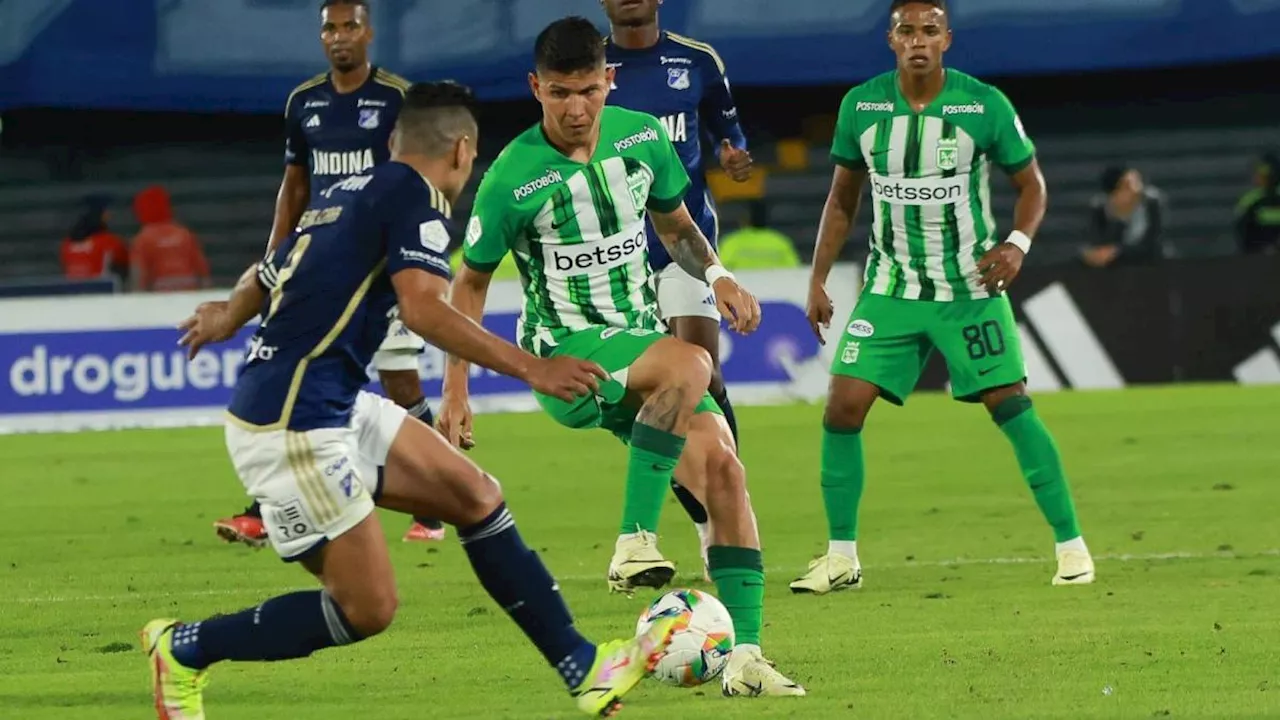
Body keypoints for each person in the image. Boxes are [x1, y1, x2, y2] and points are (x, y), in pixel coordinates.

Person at [142, 81, 678, 719]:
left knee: (476, 496)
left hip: (333, 404)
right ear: (461, 152)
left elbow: (268, 270)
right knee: (367, 608)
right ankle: (184, 648)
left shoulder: (347, 193)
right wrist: (534, 367)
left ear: (394, 142)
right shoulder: (420, 203)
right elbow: (424, 311)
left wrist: (227, 316)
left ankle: (584, 668)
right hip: (293, 426)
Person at [437, 17, 804, 698]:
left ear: (609, 81)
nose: (575, 109)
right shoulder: (510, 178)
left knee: (723, 464)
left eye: (586, 91)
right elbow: (471, 285)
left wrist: (718, 275)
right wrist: (456, 388)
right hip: (565, 358)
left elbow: (677, 227)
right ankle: (634, 539)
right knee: (694, 364)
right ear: (534, 88)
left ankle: (747, 655)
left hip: (636, 351)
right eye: (558, 94)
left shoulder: (643, 139)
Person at [792, 0, 1094, 595]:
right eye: (908, 31)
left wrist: (1017, 244)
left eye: (930, 30)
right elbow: (842, 199)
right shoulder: (863, 105)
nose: (918, 40)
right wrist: (818, 278)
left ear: (947, 39)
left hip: (968, 289)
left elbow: (1031, 185)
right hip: (890, 288)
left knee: (1009, 403)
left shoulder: (983, 105)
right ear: (892, 40)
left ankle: (1072, 546)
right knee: (842, 408)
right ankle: (841, 557)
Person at [214, 0, 446, 547]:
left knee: (400, 383)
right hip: (318, 265)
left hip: (379, 267)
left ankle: (435, 503)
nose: (340, 36)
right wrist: (277, 263)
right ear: (321, 38)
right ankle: (266, 507)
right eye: (330, 28)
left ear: (369, 33)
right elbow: (294, 186)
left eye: (350, 26)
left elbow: (419, 177)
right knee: (304, 380)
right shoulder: (304, 102)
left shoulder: (397, 98)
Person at [599, 0, 754, 568]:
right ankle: (700, 519)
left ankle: (725, 514)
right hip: (615, 259)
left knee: (703, 378)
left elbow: (727, 129)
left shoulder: (698, 61)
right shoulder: (592, 72)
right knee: (661, 396)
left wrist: (733, 153)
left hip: (686, 248)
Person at [129, 185, 211, 292]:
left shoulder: (142, 239)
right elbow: (202, 270)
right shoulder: (185, 234)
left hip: (161, 293)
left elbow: (138, 277)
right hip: (189, 290)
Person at [1083, 164, 1166, 268]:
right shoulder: (1099, 208)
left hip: (1151, 264)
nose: (1137, 189)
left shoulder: (1152, 203)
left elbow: (1154, 242)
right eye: (1127, 186)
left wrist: (1118, 251)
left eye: (1138, 182)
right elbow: (1095, 242)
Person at [60, 195, 129, 286]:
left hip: (72, 295)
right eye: (106, 212)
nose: (109, 215)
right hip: (100, 294)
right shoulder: (110, 242)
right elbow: (128, 263)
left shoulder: (67, 244)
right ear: (100, 215)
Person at [1234, 152, 1280, 254]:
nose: (1256, 177)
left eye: (1260, 174)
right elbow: (1242, 232)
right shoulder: (1250, 200)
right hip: (1258, 257)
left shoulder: (1251, 200)